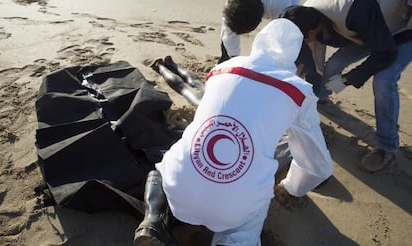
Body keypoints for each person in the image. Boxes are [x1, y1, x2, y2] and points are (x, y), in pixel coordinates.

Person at [133, 18, 334, 246]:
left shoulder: (221, 69)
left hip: (177, 191)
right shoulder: (299, 90)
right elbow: (317, 165)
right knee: (246, 224)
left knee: (162, 168)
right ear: (297, 66)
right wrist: (290, 187)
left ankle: (153, 222)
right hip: (232, 209)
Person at [280, 0, 412, 173]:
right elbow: (316, 62)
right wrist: (309, 95)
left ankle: (387, 147)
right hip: (371, 27)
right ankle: (319, 100)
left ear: (310, 33)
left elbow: (386, 52)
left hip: (403, 30)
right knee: (334, 65)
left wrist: (348, 79)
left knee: (383, 81)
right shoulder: (306, 14)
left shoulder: (353, 13)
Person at [219, 0, 301, 63]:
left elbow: (286, 36)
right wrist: (233, 59)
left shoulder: (283, 6)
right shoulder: (233, 3)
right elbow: (228, 32)